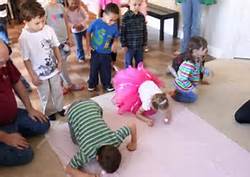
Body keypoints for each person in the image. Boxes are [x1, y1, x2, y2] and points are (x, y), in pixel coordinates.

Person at [0, 40, 50, 166]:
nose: (5, 65)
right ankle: (11, 137)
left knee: (44, 123)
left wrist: (30, 109)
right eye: (1, 62)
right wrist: (6, 137)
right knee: (24, 155)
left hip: (13, 117)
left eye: (6, 61)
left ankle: (15, 133)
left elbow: (17, 83)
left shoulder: (5, 63)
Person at [65, 99, 137, 176]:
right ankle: (70, 108)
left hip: (91, 103)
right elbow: (68, 169)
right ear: (97, 158)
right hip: (73, 110)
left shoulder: (116, 139)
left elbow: (132, 125)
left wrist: (133, 142)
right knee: (75, 141)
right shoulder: (87, 152)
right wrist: (85, 175)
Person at [19, 1, 65, 120]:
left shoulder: (48, 29)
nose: (41, 25)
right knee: (45, 94)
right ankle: (50, 113)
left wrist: (60, 61)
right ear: (26, 22)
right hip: (39, 75)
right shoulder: (24, 38)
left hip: (53, 69)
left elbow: (55, 46)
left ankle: (60, 108)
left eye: (43, 21)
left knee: (57, 90)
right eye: (37, 23)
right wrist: (32, 75)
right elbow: (26, 59)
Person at [113, 62, 171, 127]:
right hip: (136, 84)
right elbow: (138, 114)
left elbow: (167, 109)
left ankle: (121, 72)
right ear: (153, 106)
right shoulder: (146, 103)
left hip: (146, 80)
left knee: (128, 74)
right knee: (123, 78)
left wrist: (167, 117)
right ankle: (119, 71)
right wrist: (147, 120)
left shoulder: (162, 96)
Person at [45, 0, 84, 95]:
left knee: (62, 63)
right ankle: (68, 84)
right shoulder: (46, 9)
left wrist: (69, 37)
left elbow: (66, 22)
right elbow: (44, 26)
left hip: (64, 40)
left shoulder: (61, 7)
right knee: (61, 63)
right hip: (54, 42)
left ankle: (61, 85)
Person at [86, 3, 120, 92]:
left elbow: (116, 36)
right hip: (95, 51)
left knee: (106, 69)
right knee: (94, 68)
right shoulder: (96, 22)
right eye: (111, 20)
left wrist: (115, 43)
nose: (113, 22)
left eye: (115, 20)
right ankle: (92, 83)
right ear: (104, 15)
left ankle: (107, 84)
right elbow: (88, 32)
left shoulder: (114, 26)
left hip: (107, 52)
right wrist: (88, 45)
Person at [171, 36, 208, 103]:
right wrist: (192, 88)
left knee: (193, 91)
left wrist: (206, 71)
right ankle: (176, 95)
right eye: (203, 49)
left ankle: (179, 91)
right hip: (181, 84)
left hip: (190, 82)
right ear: (195, 51)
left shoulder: (197, 58)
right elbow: (183, 79)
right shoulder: (188, 65)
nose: (206, 50)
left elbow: (199, 67)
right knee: (193, 98)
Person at [121, 0, 147, 68]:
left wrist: (144, 43)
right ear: (129, 3)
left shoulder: (142, 17)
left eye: (139, 5)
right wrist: (124, 45)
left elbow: (144, 31)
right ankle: (129, 77)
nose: (137, 7)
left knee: (140, 63)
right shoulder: (125, 17)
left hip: (139, 46)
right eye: (134, 5)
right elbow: (122, 32)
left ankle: (138, 76)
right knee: (128, 63)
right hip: (129, 46)